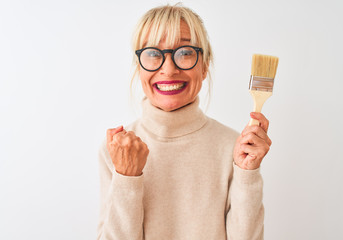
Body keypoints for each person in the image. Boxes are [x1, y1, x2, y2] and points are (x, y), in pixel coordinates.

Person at [97, 3, 272, 240]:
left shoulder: (234, 148)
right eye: (153, 53)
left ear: (205, 65)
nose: (168, 70)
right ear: (139, 67)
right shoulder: (119, 150)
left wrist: (247, 174)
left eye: (185, 52)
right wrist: (127, 178)